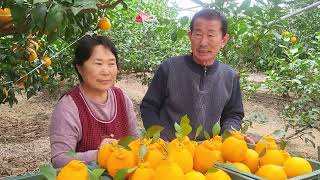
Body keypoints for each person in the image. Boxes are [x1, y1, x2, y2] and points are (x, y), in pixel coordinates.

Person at [140, 9, 253, 142]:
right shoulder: (169, 68)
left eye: (211, 35)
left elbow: (233, 114)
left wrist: (230, 134)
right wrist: (159, 137)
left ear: (224, 40)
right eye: (198, 34)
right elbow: (149, 107)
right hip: (169, 149)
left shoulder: (229, 76)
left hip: (207, 151)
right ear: (190, 36)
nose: (203, 42)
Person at [50, 34, 138, 168]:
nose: (106, 71)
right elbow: (60, 159)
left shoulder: (122, 98)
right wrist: (99, 154)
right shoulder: (69, 106)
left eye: (111, 63)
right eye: (98, 64)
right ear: (79, 68)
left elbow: (134, 141)